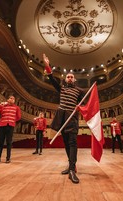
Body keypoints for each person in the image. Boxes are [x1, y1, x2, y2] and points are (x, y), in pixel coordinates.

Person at [43, 53, 84, 184]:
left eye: (72, 77)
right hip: (62, 117)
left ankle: (72, 169)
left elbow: (84, 104)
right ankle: (72, 165)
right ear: (66, 80)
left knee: (72, 142)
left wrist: (80, 107)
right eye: (68, 77)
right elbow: (52, 80)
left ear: (74, 80)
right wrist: (47, 66)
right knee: (66, 143)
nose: (70, 78)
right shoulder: (61, 89)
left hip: (72, 118)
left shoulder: (79, 91)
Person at [0, 96, 21, 163]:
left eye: (13, 99)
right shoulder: (3, 106)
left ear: (14, 101)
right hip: (2, 125)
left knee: (9, 143)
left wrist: (12, 120)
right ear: (8, 99)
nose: (12, 99)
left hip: (10, 126)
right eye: (10, 98)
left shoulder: (17, 108)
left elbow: (18, 117)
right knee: (0, 143)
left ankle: (8, 158)